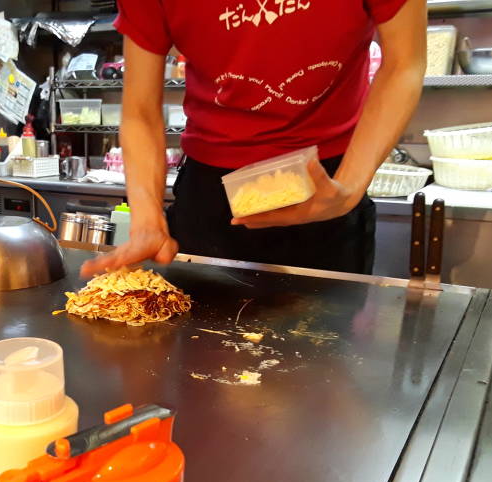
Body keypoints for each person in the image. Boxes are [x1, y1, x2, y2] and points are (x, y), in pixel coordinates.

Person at [81, 0, 427, 278]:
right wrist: (146, 221)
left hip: (327, 181)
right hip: (210, 192)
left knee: (325, 356)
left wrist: (348, 190)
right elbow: (140, 111)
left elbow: (404, 63)